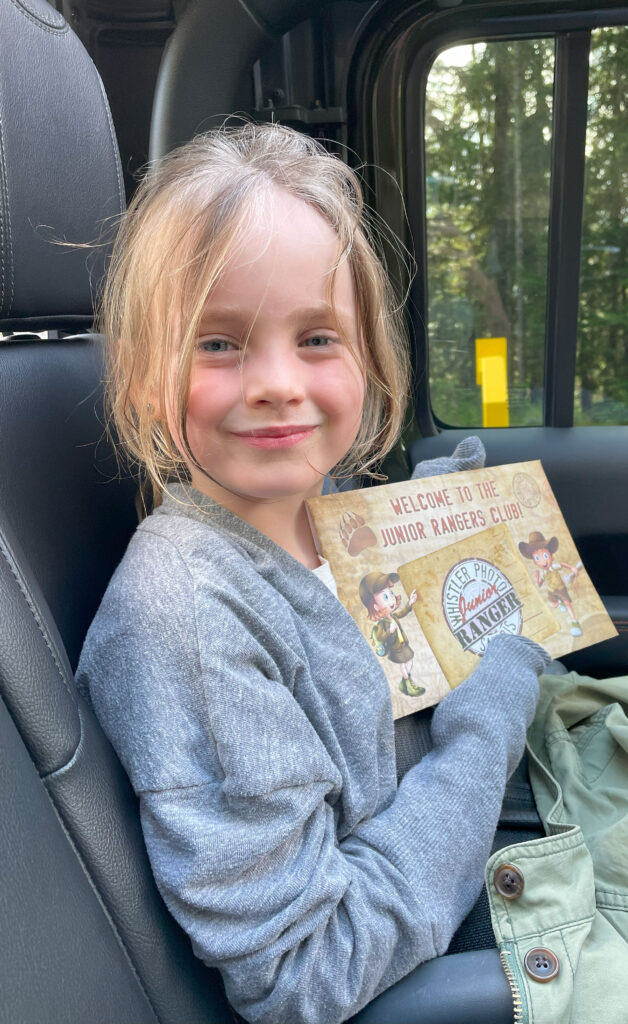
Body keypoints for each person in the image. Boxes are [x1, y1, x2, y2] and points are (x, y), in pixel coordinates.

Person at [75, 123, 551, 1024]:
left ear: (367, 360)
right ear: (143, 380)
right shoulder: (188, 615)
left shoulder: (328, 514)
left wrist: (442, 542)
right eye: (218, 344)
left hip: (477, 851)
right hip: (433, 953)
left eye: (319, 338)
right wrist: (487, 721)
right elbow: (309, 973)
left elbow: (369, 734)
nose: (277, 383)